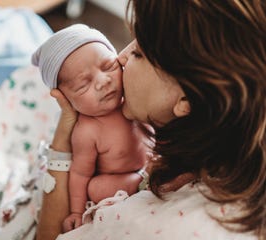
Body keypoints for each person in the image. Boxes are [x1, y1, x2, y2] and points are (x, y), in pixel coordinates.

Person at [36, 0, 266, 239]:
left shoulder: (147, 226)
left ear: (185, 100)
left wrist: (60, 147)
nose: (121, 57)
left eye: (138, 53)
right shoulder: (222, 138)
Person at [32, 24, 150, 232]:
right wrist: (76, 212)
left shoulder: (133, 93)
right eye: (83, 85)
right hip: (118, 179)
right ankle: (141, 182)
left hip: (147, 160)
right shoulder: (88, 130)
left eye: (108, 67)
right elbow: (79, 174)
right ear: (65, 99)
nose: (103, 82)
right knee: (96, 187)